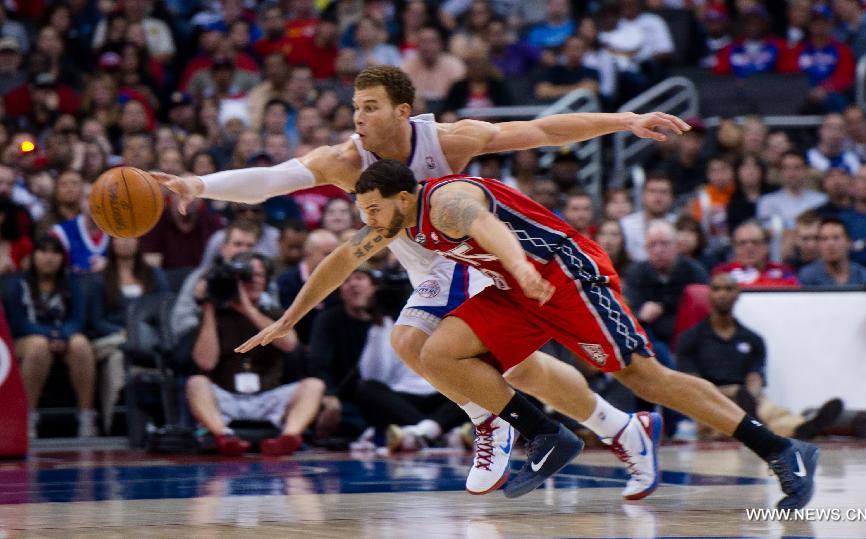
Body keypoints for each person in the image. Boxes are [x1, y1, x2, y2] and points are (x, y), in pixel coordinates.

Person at [151, 64, 689, 498]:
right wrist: (198, 184)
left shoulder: (447, 141)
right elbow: (271, 181)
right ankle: (620, 428)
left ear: (402, 111)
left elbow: (542, 131)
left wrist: (625, 120)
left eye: (370, 107)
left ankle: (492, 422)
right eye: (355, 107)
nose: (358, 118)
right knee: (520, 369)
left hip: (474, 254)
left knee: (413, 341)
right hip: (424, 264)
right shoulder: (346, 160)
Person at [240, 161, 820, 508]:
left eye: (371, 208)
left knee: (646, 376)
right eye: (362, 210)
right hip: (516, 289)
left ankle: (780, 448)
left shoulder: (446, 200)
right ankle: (545, 435)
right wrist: (289, 319)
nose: (367, 221)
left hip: (564, 278)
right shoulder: (395, 223)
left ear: (400, 195)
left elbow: (486, 224)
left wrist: (517, 265)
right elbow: (341, 260)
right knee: (433, 350)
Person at [187, 253, 325, 457]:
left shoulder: (274, 313)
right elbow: (205, 362)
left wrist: (248, 309)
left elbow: (290, 345)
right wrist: (208, 306)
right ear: (235, 281)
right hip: (226, 396)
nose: (255, 280)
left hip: (268, 396)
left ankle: (288, 438)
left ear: (267, 280)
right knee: (196, 383)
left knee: (314, 385)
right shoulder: (215, 315)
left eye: (260, 275)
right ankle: (224, 436)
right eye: (247, 276)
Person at [678, 273, 844, 440]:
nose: (722, 294)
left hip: (748, 399)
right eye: (716, 289)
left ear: (737, 294)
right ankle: (788, 428)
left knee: (772, 411)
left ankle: (802, 425)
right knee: (722, 421)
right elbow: (694, 387)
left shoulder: (753, 339)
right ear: (709, 294)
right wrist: (734, 393)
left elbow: (755, 377)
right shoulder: (690, 339)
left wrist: (749, 397)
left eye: (728, 289)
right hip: (713, 400)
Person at [4, 235, 96, 438]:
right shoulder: (18, 283)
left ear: (62, 258)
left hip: (65, 337)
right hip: (26, 339)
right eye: (43, 251)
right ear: (33, 256)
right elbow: (18, 323)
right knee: (39, 346)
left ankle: (86, 417)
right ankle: (28, 417)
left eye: (55, 252)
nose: (49, 257)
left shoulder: (72, 282)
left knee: (81, 344)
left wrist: (61, 335)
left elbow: (78, 319)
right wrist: (50, 335)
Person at [87, 237, 169, 433]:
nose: (125, 242)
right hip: (113, 338)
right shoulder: (101, 278)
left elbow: (166, 308)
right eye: (119, 238)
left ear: (139, 242)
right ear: (112, 243)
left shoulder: (154, 275)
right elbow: (96, 320)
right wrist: (120, 331)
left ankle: (161, 417)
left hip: (148, 338)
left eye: (130, 237)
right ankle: (115, 417)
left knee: (130, 355)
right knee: (118, 357)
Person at [624, 220, 710, 345]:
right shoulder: (636, 272)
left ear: (676, 246)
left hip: (689, 336)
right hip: (651, 340)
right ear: (646, 249)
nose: (658, 250)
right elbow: (628, 311)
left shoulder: (694, 270)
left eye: (664, 244)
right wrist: (640, 315)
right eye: (652, 245)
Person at [714, 220, 800, 287]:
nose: (749, 248)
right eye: (742, 243)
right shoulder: (723, 273)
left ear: (766, 246)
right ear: (735, 247)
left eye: (755, 242)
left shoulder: (784, 272)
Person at [798, 217, 866, 286]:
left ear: (849, 242)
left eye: (836, 238)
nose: (830, 244)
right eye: (824, 239)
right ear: (819, 244)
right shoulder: (807, 277)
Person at [757, 151, 827, 230]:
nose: (791, 173)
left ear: (806, 171)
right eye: (786, 168)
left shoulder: (821, 200)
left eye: (796, 168)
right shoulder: (767, 202)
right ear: (780, 172)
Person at [620, 173, 676, 262]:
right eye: (652, 191)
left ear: (672, 197)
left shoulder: (678, 224)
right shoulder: (626, 225)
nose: (658, 197)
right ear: (643, 196)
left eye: (663, 192)